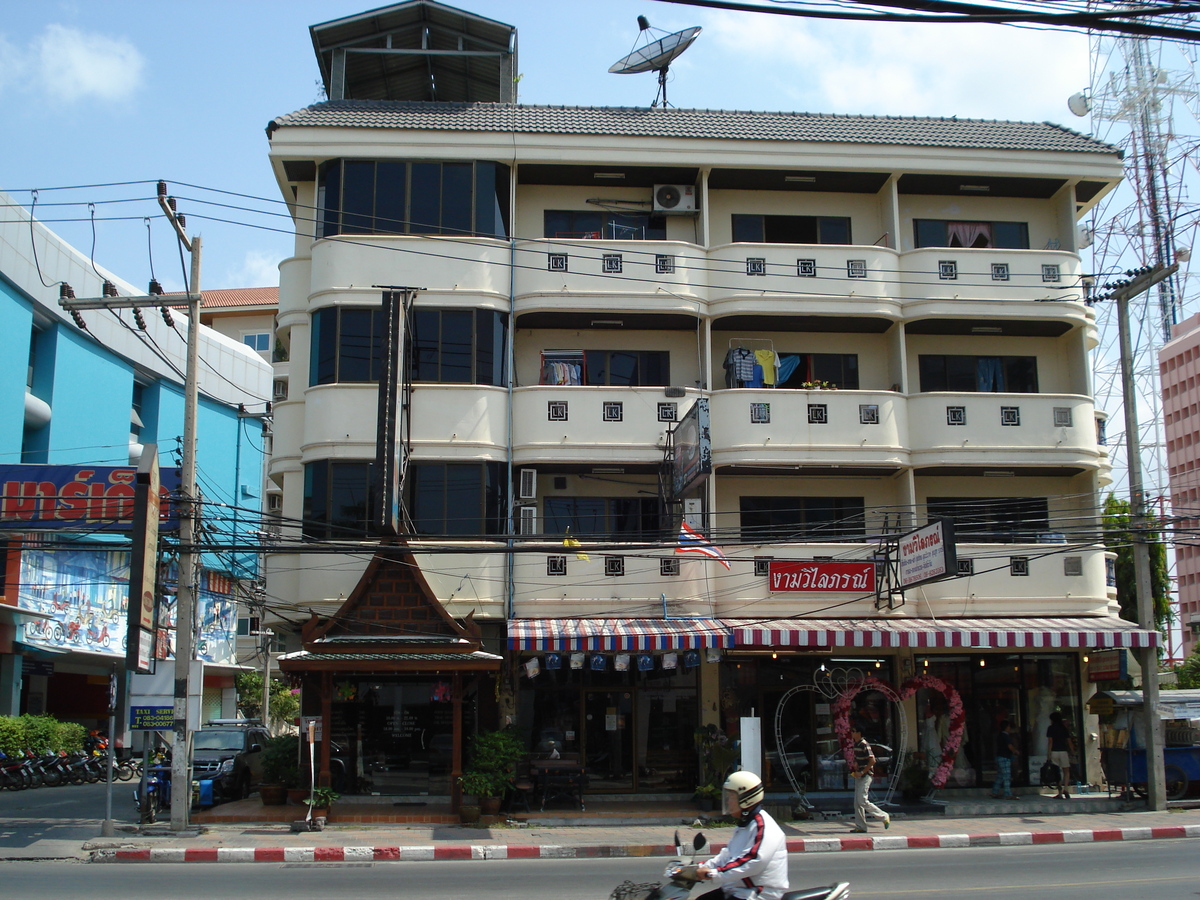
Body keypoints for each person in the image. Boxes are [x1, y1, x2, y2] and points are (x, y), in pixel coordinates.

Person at [695, 771, 789, 900]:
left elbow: (752, 861)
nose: (728, 801)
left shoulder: (763, 826)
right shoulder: (745, 824)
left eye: (731, 797)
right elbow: (728, 855)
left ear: (746, 799)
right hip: (739, 890)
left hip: (758, 893)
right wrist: (701, 867)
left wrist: (714, 873)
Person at [848, 722, 890, 832]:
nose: (851, 733)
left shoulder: (863, 744)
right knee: (857, 803)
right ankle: (861, 826)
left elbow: (872, 760)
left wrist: (862, 772)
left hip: (866, 776)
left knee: (862, 801)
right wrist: (856, 765)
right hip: (859, 775)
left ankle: (883, 816)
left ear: (859, 733)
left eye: (853, 731)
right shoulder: (856, 744)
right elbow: (860, 759)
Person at [1045, 710, 1075, 799]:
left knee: (1057, 772)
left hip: (1054, 751)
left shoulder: (1050, 728)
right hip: (1063, 751)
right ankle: (1066, 788)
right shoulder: (1064, 728)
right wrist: (1072, 751)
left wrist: (1049, 754)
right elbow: (1069, 741)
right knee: (1066, 771)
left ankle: (1060, 792)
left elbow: (1050, 741)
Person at [991, 719, 1019, 800]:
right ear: (1007, 727)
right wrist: (1015, 751)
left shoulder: (999, 735)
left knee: (1000, 776)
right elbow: (1010, 746)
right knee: (1007, 776)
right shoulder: (1006, 736)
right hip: (1005, 757)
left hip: (999, 757)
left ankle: (994, 792)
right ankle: (1007, 794)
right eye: (1009, 726)